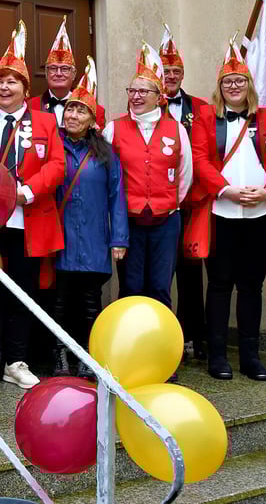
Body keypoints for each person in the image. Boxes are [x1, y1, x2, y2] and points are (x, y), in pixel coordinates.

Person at [0, 21, 66, 390]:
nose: (4, 87)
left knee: (22, 291)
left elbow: (57, 165)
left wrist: (28, 191)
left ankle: (17, 360)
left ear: (26, 89)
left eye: (12, 82)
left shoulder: (45, 121)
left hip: (28, 220)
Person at [191, 36, 266, 381]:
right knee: (219, 284)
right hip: (222, 213)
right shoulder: (206, 118)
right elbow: (201, 160)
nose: (234, 86)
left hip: (261, 216)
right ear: (220, 88)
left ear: (249, 85)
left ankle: (251, 357)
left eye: (240, 81)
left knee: (253, 285)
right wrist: (226, 190)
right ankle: (217, 356)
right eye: (228, 81)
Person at [103, 44, 192, 322]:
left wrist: (167, 203)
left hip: (166, 222)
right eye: (132, 91)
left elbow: (185, 175)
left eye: (144, 91)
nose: (137, 96)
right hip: (129, 222)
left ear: (159, 96)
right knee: (130, 288)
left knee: (160, 288)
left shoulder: (176, 128)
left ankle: (160, 353)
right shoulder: (113, 128)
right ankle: (128, 349)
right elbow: (106, 178)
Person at [51, 57, 128, 378]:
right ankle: (59, 357)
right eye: (69, 108)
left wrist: (119, 239)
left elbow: (117, 197)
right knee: (59, 302)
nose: (72, 114)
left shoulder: (107, 155)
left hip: (95, 240)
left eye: (80, 110)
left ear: (93, 119)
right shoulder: (52, 145)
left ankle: (86, 356)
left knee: (89, 304)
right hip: (60, 237)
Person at [161, 24, 209, 361]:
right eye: (166, 71)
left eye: (177, 71)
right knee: (160, 274)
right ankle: (161, 340)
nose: (171, 76)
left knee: (191, 273)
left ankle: (194, 335)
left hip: (191, 204)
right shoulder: (143, 107)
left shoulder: (201, 107)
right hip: (154, 205)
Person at [27, 17, 106, 129]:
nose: (58, 73)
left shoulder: (95, 111)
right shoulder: (29, 106)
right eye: (53, 68)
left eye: (64, 69)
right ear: (46, 73)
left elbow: (99, 145)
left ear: (74, 74)